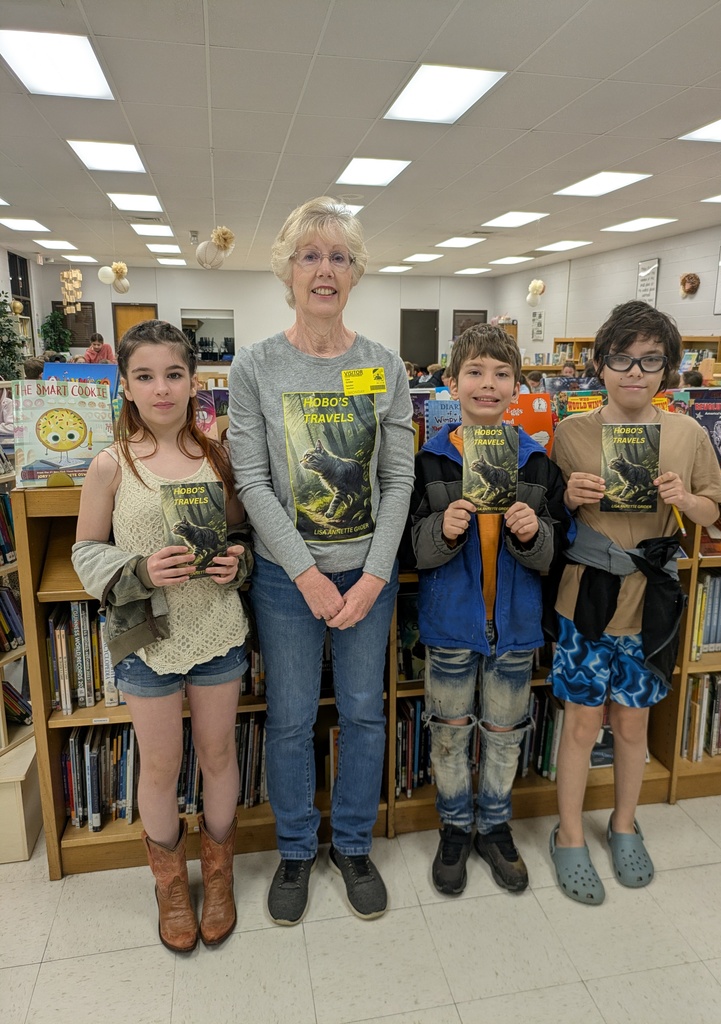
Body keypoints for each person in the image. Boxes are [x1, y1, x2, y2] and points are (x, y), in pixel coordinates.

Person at [227, 196, 414, 926]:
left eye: (338, 256)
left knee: (366, 715)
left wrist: (372, 576)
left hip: (367, 573)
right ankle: (298, 849)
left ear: (356, 271)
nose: (325, 270)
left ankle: (354, 846)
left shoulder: (383, 366)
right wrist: (304, 573)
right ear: (287, 270)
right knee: (291, 718)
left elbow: (396, 480)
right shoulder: (256, 366)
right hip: (284, 578)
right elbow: (252, 481)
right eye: (310, 256)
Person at [72, 319, 252, 952]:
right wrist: (139, 570)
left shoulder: (219, 458)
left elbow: (240, 538)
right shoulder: (110, 465)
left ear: (193, 381)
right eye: (144, 377)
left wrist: (238, 561)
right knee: (161, 765)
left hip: (217, 630)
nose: (161, 389)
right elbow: (85, 553)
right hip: (145, 637)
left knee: (218, 753)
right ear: (124, 387)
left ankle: (220, 874)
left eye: (173, 374)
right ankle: (171, 886)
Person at [548, 300, 721, 905]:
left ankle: (624, 824)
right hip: (586, 599)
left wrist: (686, 499)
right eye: (622, 358)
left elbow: (711, 509)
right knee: (579, 723)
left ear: (668, 369)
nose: (635, 371)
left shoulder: (687, 433)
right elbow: (549, 516)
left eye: (651, 360)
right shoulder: (570, 433)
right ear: (600, 365)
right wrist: (569, 495)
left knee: (631, 722)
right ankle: (570, 832)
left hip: (650, 601)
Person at [409, 323, 572, 896]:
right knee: (449, 732)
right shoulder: (428, 462)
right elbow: (414, 549)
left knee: (505, 733)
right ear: (451, 383)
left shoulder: (536, 464)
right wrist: (442, 528)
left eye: (502, 374)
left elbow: (553, 553)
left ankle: (495, 825)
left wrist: (531, 535)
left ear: (517, 385)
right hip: (451, 626)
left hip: (516, 629)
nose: (488, 384)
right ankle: (455, 828)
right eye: (475, 372)